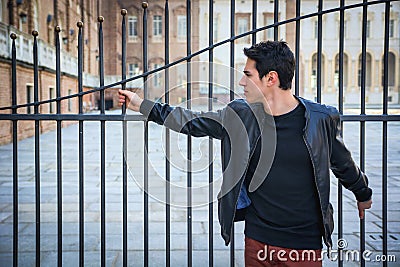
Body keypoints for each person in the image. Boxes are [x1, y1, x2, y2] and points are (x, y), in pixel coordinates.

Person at [118, 41, 372, 266]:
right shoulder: (241, 114)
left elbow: (342, 162)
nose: (241, 82)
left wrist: (362, 192)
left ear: (271, 78)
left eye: (247, 75)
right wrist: (142, 105)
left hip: (303, 245)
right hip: (257, 239)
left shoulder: (320, 118)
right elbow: (192, 121)